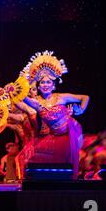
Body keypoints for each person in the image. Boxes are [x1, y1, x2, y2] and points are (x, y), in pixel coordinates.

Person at [21, 51, 89, 179]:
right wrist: (17, 87)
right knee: (37, 160)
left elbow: (85, 97)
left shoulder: (61, 97)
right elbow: (22, 99)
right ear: (38, 86)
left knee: (65, 162)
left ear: (53, 85)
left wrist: (81, 110)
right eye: (42, 82)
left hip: (68, 133)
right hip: (51, 136)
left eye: (48, 82)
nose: (45, 85)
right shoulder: (37, 102)